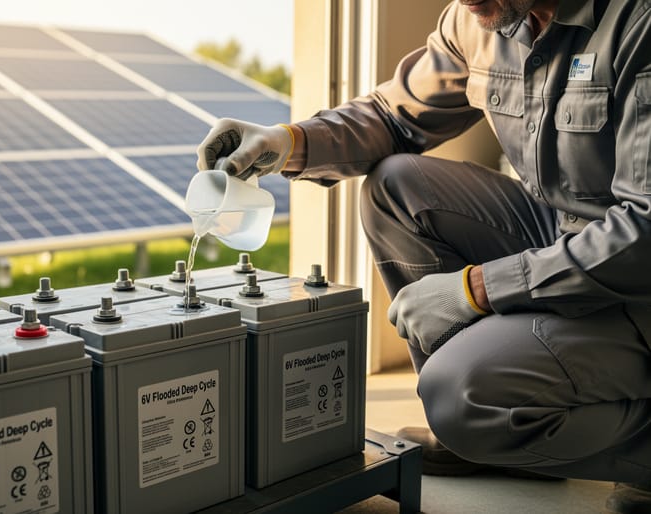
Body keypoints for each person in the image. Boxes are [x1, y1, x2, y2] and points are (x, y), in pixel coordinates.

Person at [196, 0, 651, 511]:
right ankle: (501, 435)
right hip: (560, 233)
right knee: (396, 186)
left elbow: (644, 231)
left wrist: (477, 289)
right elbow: (394, 115)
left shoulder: (638, 22)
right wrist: (288, 141)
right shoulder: (480, 18)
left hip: (640, 286)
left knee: (461, 394)